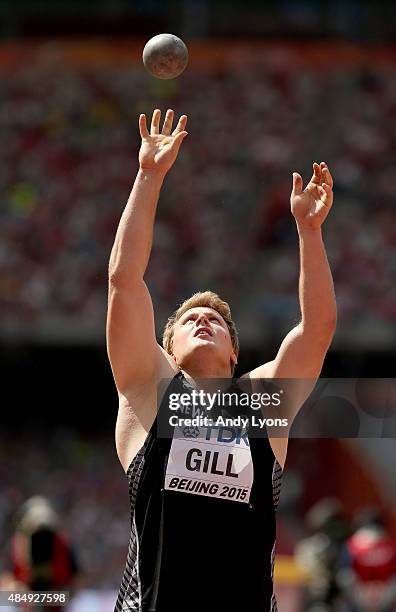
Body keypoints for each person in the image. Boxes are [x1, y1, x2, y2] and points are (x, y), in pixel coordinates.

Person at [107, 109, 337, 612]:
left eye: (216, 320)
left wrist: (310, 232)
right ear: (168, 350)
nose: (203, 321)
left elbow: (317, 330)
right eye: (190, 319)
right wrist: (148, 176)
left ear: (235, 351)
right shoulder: (149, 388)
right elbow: (125, 283)